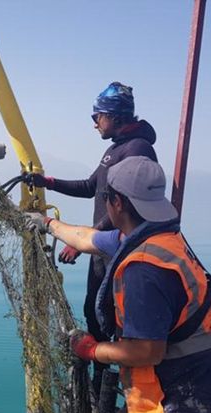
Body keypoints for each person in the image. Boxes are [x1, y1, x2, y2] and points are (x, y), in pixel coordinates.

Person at [25, 156, 211, 413]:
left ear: (118, 203)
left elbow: (146, 351)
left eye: (107, 197)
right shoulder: (158, 238)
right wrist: (48, 224)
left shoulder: (143, 270)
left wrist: (91, 350)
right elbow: (87, 238)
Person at [25, 81, 158, 344]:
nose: (94, 122)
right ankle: (99, 375)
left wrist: (84, 242)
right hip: (102, 246)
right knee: (93, 311)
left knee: (117, 315)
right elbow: (90, 187)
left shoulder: (137, 149)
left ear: (113, 115)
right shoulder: (115, 149)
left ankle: (113, 375)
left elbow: (127, 203)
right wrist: (48, 182)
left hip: (121, 248)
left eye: (97, 116)